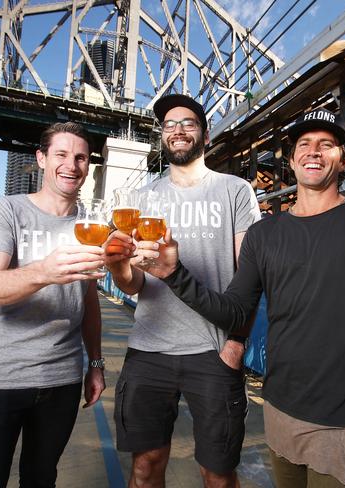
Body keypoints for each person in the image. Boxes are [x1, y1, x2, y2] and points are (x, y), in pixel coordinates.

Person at [135, 108, 345, 488]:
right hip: (280, 414)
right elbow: (236, 311)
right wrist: (175, 275)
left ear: (343, 158)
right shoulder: (264, 234)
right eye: (304, 144)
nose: (314, 151)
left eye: (326, 144)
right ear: (291, 161)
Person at [105, 94, 261, 488]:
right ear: (162, 136)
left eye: (187, 123)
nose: (177, 130)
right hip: (150, 348)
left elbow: (251, 276)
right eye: (169, 124)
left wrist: (237, 343)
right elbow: (135, 284)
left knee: (218, 473)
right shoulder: (142, 199)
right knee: (145, 466)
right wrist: (117, 267)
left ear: (204, 134)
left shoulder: (235, 191)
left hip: (213, 350)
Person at [0, 122, 107, 487]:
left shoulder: (90, 226)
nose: (71, 165)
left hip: (62, 380)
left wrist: (97, 363)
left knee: (41, 480)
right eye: (61, 154)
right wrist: (44, 271)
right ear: (41, 159)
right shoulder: (5, 211)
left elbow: (87, 298)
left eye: (81, 157)